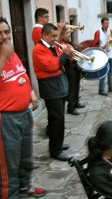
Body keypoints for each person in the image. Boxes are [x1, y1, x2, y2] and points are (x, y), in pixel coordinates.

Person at [0, 16, 46, 198]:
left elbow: (20, 76)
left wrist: (31, 93)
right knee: (8, 163)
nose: (4, 36)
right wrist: (4, 56)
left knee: (25, 157)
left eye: (6, 32)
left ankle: (24, 186)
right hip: (4, 118)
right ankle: (8, 194)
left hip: (24, 114)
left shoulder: (11, 54)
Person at [32, 23, 73, 161]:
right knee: (56, 119)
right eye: (53, 36)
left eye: (57, 35)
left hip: (58, 85)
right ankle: (55, 150)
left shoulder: (52, 46)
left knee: (59, 118)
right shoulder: (39, 49)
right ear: (44, 35)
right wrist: (64, 56)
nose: (56, 39)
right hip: (50, 87)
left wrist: (69, 54)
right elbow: (52, 66)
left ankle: (58, 144)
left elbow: (60, 61)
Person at [61, 28, 85, 115]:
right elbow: (66, 57)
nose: (69, 35)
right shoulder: (62, 44)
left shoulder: (69, 43)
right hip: (69, 68)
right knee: (72, 88)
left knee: (76, 86)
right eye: (67, 34)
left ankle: (76, 102)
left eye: (69, 34)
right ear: (62, 35)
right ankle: (71, 107)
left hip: (75, 66)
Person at [93, 17, 112, 96]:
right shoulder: (98, 32)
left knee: (110, 72)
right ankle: (101, 90)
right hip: (102, 54)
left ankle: (111, 87)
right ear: (102, 24)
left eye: (108, 23)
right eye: (106, 23)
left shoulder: (111, 31)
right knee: (103, 72)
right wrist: (103, 46)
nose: (107, 25)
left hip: (111, 54)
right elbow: (95, 44)